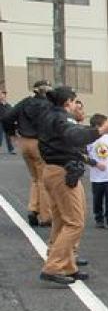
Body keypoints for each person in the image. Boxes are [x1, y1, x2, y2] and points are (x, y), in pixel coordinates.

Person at [36, 86, 108, 284]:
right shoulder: (60, 119)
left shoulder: (48, 116)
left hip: (53, 170)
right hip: (63, 172)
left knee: (62, 220)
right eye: (74, 101)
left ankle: (66, 264)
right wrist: (101, 131)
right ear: (67, 102)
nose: (76, 105)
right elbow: (74, 136)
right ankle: (54, 266)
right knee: (74, 222)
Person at [2, 80, 53, 226]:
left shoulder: (25, 102)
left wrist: (11, 133)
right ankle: (46, 215)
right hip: (40, 143)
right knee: (44, 179)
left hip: (25, 142)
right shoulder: (49, 106)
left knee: (35, 178)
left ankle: (33, 208)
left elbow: (7, 117)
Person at [87, 113, 108, 229]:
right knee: (97, 198)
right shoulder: (90, 138)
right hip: (96, 175)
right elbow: (85, 155)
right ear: (98, 126)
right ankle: (99, 218)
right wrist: (96, 164)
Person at [0, 89, 16, 154]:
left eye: (3, 95)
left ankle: (11, 150)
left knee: (8, 136)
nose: (2, 96)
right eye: (1, 94)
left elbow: (12, 113)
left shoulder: (8, 105)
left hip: (7, 122)